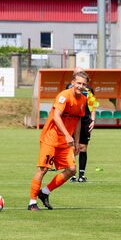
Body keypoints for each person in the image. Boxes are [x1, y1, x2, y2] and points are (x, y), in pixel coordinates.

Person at [27, 71, 89, 211]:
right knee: (43, 169)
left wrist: (77, 141)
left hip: (65, 142)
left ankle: (45, 192)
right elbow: (56, 116)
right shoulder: (63, 96)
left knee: (72, 170)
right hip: (51, 138)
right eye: (78, 83)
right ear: (73, 82)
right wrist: (68, 135)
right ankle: (32, 202)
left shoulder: (83, 100)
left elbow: (78, 120)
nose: (80, 86)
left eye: (84, 84)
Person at [67, 67, 96, 183]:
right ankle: (72, 174)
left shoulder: (89, 89)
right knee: (72, 147)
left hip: (85, 121)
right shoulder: (68, 88)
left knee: (83, 147)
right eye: (76, 73)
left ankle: (81, 175)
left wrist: (93, 120)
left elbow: (93, 104)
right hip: (73, 120)